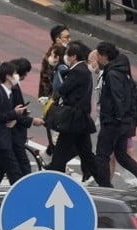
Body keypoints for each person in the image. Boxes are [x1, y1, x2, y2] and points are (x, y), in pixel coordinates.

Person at [92, 42, 137, 200]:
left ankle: (105, 189)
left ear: (103, 56)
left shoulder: (112, 73)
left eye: (98, 56)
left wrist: (116, 118)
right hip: (125, 122)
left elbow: (117, 98)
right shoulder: (122, 69)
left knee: (102, 155)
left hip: (114, 122)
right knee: (122, 155)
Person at [47, 41, 98, 182]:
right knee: (86, 153)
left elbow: (63, 89)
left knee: (60, 154)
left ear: (73, 56)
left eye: (67, 55)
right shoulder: (82, 70)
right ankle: (103, 181)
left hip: (73, 118)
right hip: (80, 118)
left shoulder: (77, 71)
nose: (66, 58)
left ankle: (53, 178)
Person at [0, 61, 30, 186]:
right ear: (8, 76)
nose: (16, 76)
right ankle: (22, 197)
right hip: (1, 139)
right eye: (14, 74)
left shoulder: (8, 93)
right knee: (15, 173)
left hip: (3, 139)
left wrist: (14, 115)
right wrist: (14, 113)